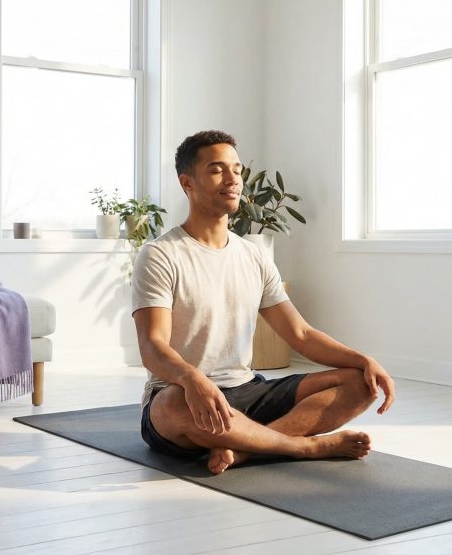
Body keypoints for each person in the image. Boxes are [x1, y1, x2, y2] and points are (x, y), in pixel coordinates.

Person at [132, 130, 396, 474]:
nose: (232, 180)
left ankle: (245, 450)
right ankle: (300, 447)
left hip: (247, 391)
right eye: (216, 170)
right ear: (188, 183)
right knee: (171, 405)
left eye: (236, 170)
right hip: (183, 395)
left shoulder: (253, 255)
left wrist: (363, 360)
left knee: (361, 382)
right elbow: (152, 346)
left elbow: (299, 334)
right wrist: (192, 378)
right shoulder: (160, 255)